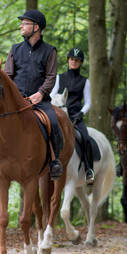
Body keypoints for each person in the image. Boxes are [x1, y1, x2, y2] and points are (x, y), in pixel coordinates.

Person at [0, 9, 63, 180]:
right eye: (21, 23)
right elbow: (8, 76)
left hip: (39, 100)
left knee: (53, 121)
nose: (21, 26)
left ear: (36, 27)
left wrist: (40, 94)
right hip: (16, 101)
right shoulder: (15, 49)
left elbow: (51, 77)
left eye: (24, 23)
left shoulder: (49, 51)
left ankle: (54, 161)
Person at [50, 48, 94, 184]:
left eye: (77, 60)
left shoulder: (85, 81)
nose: (74, 62)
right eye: (72, 59)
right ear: (68, 60)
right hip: (59, 115)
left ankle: (88, 170)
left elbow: (88, 102)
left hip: (76, 117)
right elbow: (51, 95)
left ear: (80, 63)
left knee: (86, 139)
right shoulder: (59, 78)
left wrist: (80, 114)